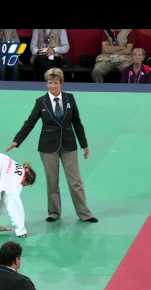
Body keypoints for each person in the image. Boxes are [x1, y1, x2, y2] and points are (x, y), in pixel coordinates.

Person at [6, 68, 98, 223]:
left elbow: (77, 122)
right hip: (47, 147)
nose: (52, 86)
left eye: (55, 83)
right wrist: (17, 140)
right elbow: (30, 123)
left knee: (75, 182)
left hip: (69, 145)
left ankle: (84, 213)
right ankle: (54, 213)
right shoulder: (40, 102)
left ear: (61, 83)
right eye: (49, 83)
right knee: (52, 181)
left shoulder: (70, 98)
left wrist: (84, 144)